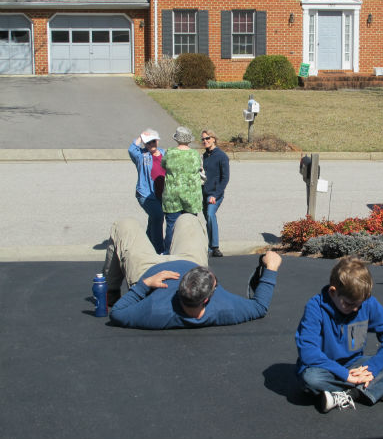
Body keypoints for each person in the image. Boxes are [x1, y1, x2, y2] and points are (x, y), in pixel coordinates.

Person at [102, 213, 282, 329]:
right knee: (189, 218)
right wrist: (271, 268)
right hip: (189, 260)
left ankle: (109, 290)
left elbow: (117, 313)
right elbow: (259, 307)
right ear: (208, 297)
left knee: (124, 224)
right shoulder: (224, 307)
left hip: (148, 269)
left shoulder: (156, 310)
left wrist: (145, 284)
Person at [295, 257, 383, 413]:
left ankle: (345, 394)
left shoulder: (367, 303)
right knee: (311, 379)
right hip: (325, 368)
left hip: (355, 365)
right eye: (349, 304)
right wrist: (345, 375)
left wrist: (373, 367)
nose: (356, 309)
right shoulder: (315, 308)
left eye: (359, 304)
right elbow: (308, 352)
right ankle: (374, 389)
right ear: (333, 292)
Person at [161, 126, 206, 253]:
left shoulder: (169, 152)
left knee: (171, 225)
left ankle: (169, 252)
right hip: (191, 194)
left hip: (172, 194)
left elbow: (163, 165)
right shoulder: (195, 154)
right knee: (190, 224)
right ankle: (189, 250)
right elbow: (199, 168)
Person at [128, 128, 166, 254]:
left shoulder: (164, 153)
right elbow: (131, 149)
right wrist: (141, 136)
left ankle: (145, 245)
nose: (151, 145)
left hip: (162, 194)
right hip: (146, 194)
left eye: (153, 141)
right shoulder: (141, 156)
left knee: (153, 220)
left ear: (157, 141)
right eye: (148, 142)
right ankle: (158, 250)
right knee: (158, 216)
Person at [201, 129, 230, 257]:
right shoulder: (204, 156)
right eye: (203, 139)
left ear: (213, 139)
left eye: (207, 138)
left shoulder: (222, 156)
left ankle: (215, 247)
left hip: (215, 193)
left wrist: (216, 194)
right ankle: (210, 247)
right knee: (208, 218)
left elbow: (225, 178)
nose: (205, 141)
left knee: (210, 214)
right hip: (204, 193)